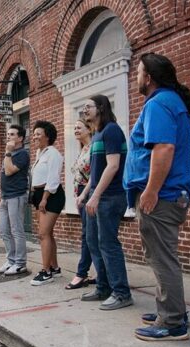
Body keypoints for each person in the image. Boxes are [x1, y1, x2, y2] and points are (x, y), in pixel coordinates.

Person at [124, 53, 190, 341]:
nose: (135, 77)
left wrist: (151, 191)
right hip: (168, 194)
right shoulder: (169, 102)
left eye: (138, 72)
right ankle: (169, 308)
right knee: (160, 256)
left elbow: (163, 148)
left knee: (162, 258)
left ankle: (173, 322)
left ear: (149, 77)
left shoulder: (158, 103)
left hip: (161, 196)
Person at [76, 95, 133, 310]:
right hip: (97, 195)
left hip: (111, 196)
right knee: (93, 241)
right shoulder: (98, 134)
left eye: (88, 106)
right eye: (83, 106)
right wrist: (86, 194)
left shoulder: (111, 130)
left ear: (100, 108)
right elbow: (97, 171)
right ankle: (104, 287)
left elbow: (113, 166)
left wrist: (96, 195)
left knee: (109, 244)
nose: (84, 110)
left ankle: (122, 293)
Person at [29, 121, 65, 286]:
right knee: (48, 233)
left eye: (38, 133)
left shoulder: (53, 154)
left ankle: (46, 272)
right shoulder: (40, 153)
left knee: (43, 234)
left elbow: (53, 179)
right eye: (34, 133)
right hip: (39, 194)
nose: (35, 136)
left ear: (47, 136)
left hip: (51, 195)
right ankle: (54, 267)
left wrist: (44, 198)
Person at [0, 124, 30, 276]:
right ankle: (11, 260)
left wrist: (8, 153)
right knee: (3, 230)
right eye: (8, 134)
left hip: (16, 195)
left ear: (21, 138)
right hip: (5, 197)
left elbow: (9, 171)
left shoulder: (23, 154)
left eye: (12, 134)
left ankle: (20, 263)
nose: (8, 136)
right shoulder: (10, 154)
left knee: (17, 230)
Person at [66, 119, 95, 290]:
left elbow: (95, 174)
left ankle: (81, 273)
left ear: (89, 129)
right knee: (89, 235)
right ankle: (98, 272)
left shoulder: (93, 148)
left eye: (79, 127)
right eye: (74, 127)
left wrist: (84, 195)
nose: (75, 130)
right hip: (79, 196)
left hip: (87, 194)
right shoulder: (82, 149)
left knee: (88, 236)